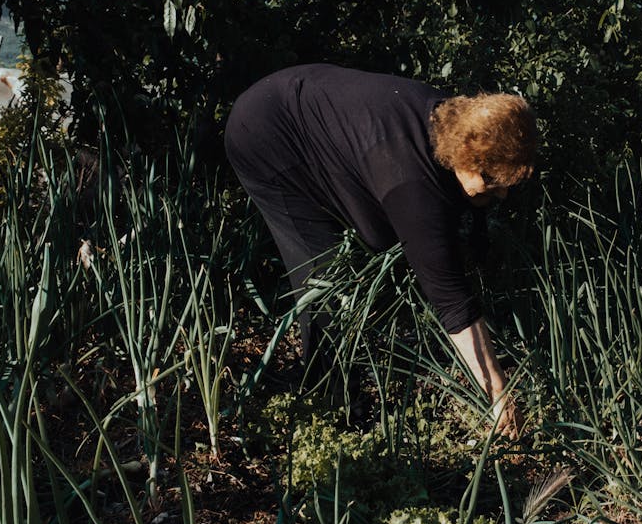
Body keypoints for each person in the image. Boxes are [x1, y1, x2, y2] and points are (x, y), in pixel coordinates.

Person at [224, 64, 537, 436]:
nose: (501, 194)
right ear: (466, 153)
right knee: (322, 275)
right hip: (267, 133)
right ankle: (333, 413)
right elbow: (451, 300)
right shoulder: (411, 182)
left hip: (311, 108)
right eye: (491, 181)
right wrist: (499, 393)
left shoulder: (451, 123)